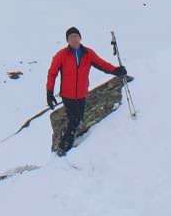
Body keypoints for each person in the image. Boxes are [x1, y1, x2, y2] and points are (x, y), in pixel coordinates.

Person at [44, 27, 124, 156]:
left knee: (78, 119)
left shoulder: (88, 53)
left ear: (80, 38)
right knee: (75, 119)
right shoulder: (61, 55)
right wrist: (49, 92)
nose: (74, 39)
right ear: (67, 41)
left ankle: (66, 139)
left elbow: (101, 64)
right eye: (71, 38)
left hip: (81, 94)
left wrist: (115, 70)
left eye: (76, 36)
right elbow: (52, 73)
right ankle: (63, 148)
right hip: (67, 95)